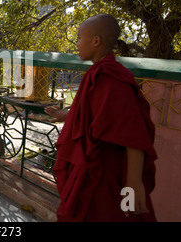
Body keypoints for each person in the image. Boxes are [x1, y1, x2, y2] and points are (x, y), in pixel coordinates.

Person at [44, 14, 157, 222]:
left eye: (79, 37)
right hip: (93, 167)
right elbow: (95, 114)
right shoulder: (98, 72)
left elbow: (134, 133)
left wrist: (133, 183)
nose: (76, 44)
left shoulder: (112, 77)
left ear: (96, 41)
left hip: (108, 173)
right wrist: (65, 115)